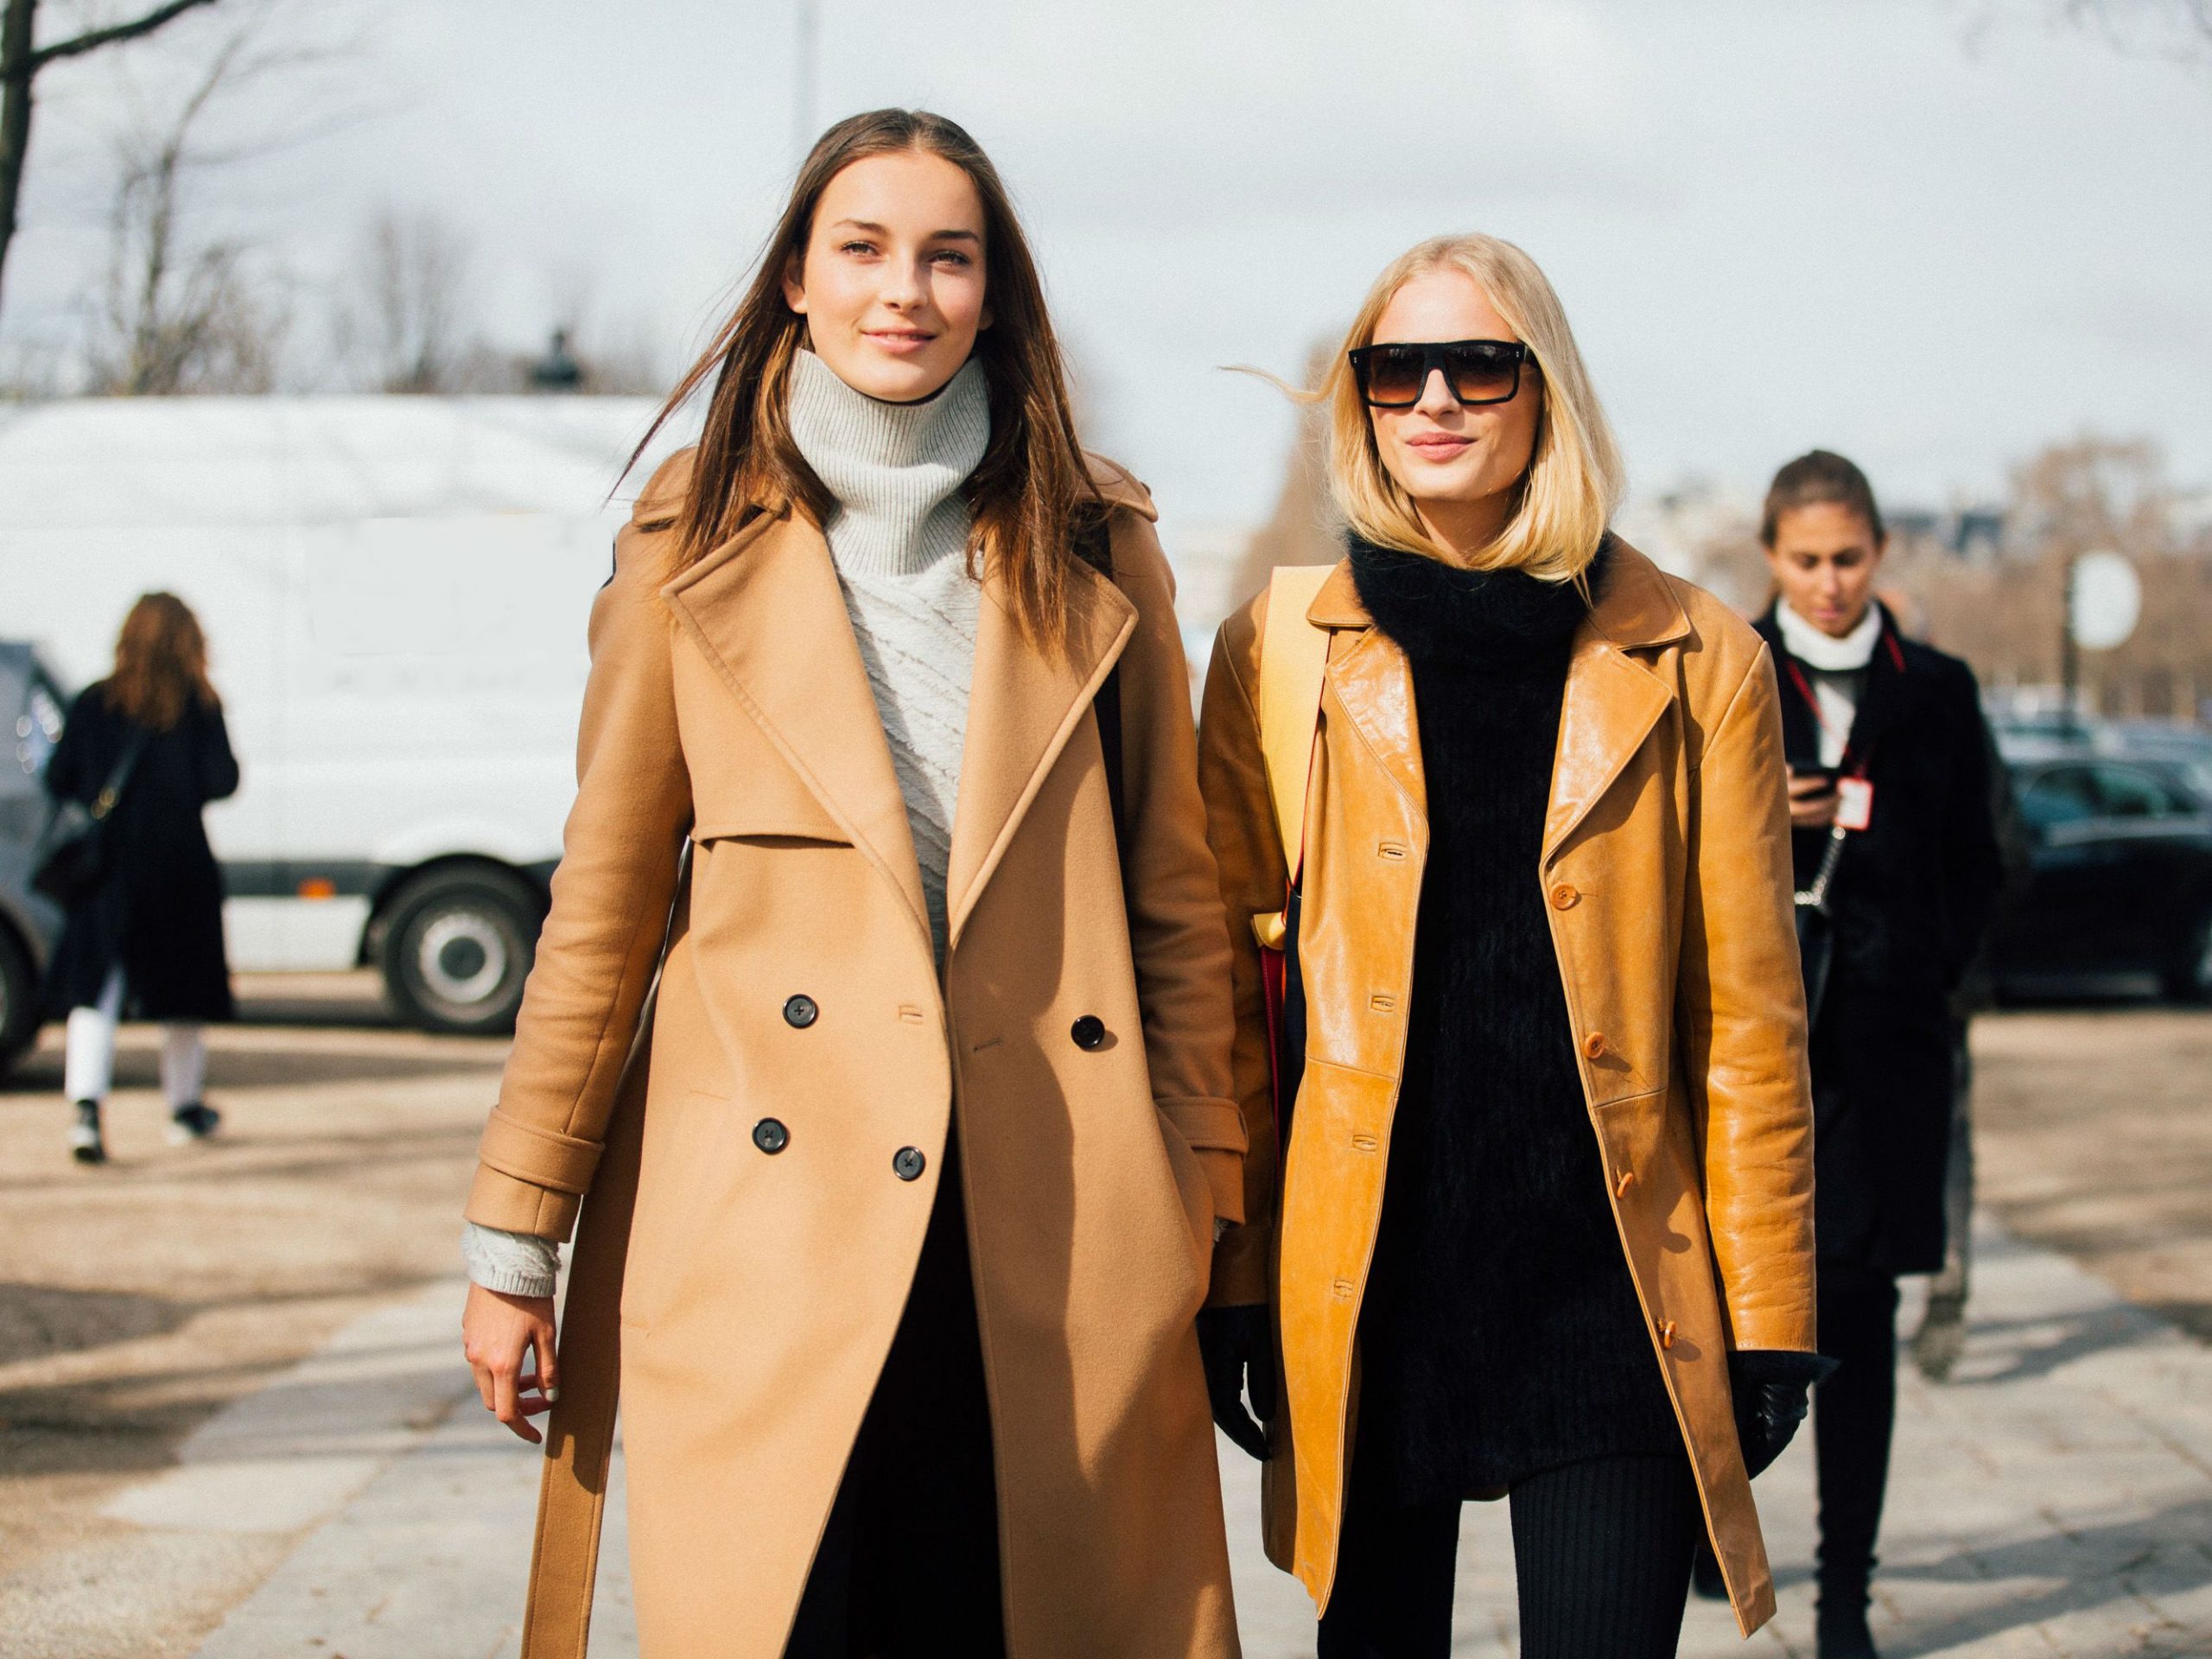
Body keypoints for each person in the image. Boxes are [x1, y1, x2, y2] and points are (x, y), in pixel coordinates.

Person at [456, 110, 1246, 1658]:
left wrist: (1199, 1196)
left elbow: (1178, 907)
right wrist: (513, 1234)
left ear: (996, 295)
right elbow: (603, 914)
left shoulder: (1099, 537)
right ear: (799, 285)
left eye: (949, 256)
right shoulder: (689, 545)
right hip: (771, 1219)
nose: (908, 290)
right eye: (865, 249)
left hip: (1052, 1214)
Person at [1194, 232, 1822, 1659]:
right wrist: (1237, 1281)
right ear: (1356, 399)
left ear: (1545, 389)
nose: (1435, 400)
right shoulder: (1274, 653)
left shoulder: (1696, 654)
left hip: (1609, 1294)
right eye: (1394, 367)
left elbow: (1748, 1020)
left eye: (1479, 363)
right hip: (1372, 1297)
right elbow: (1231, 1004)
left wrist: (1774, 1310)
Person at [1750, 450, 2005, 1659]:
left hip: (1886, 1052)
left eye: (1848, 558)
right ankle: (1713, 1524)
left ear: (1880, 555)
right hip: (1753, 1052)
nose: (1829, 582)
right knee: (1724, 1307)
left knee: (1858, 1314)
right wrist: (1762, 812)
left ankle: (1844, 1586)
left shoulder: (1937, 690)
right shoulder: (1722, 669)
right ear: (1769, 557)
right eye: (1806, 560)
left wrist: (1935, 969)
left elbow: (1982, 855)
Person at [42, 592, 237, 1164]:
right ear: (187, 640)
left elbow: (59, 779)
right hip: (178, 869)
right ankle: (183, 1109)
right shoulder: (199, 706)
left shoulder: (93, 703)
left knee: (97, 991)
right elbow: (222, 781)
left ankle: (85, 1113)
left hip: (107, 872)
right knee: (180, 996)